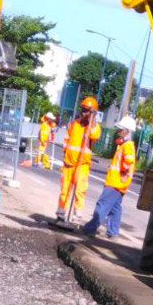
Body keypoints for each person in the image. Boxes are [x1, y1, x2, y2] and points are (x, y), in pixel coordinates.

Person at [82, 115, 137, 239]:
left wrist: (123, 173)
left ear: (126, 131)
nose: (118, 132)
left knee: (103, 205)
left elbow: (127, 162)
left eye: (120, 129)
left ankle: (90, 228)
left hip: (115, 183)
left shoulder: (127, 146)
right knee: (115, 209)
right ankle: (113, 232)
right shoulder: (124, 145)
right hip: (119, 184)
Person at [56, 95, 100, 223]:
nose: (83, 112)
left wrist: (91, 120)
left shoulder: (94, 127)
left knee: (80, 190)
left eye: (87, 110)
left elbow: (94, 136)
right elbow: (66, 139)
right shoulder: (74, 123)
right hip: (69, 162)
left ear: (92, 112)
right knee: (65, 189)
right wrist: (65, 154)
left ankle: (77, 214)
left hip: (82, 164)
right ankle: (61, 211)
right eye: (83, 109)